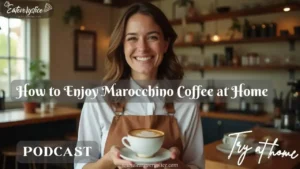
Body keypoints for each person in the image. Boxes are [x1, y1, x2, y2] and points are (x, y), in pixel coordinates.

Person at [74, 2, 204, 169]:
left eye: (152, 37)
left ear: (165, 44)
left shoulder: (186, 103)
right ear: (122, 46)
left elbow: (197, 166)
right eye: (132, 38)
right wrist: (108, 161)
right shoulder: (98, 100)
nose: (142, 48)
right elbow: (81, 166)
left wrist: (175, 165)